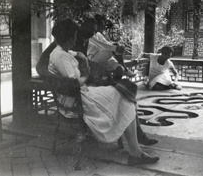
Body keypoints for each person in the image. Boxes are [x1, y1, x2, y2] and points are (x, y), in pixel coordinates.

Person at [47, 18, 159, 165]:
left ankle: (135, 150)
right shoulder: (60, 56)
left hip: (78, 95)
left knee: (124, 97)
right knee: (125, 98)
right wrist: (86, 73)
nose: (76, 37)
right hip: (77, 100)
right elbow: (74, 83)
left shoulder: (62, 51)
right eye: (74, 34)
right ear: (68, 37)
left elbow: (73, 56)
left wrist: (80, 56)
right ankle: (135, 152)